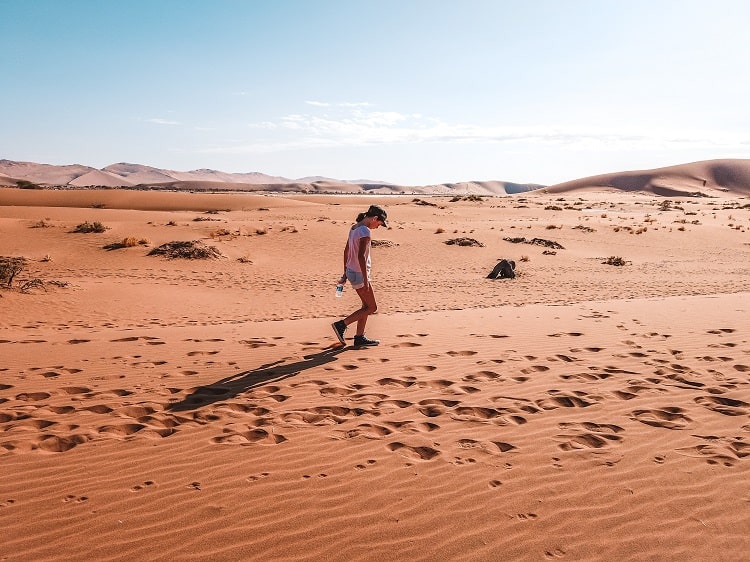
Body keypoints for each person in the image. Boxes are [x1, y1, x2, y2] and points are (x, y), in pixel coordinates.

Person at [331, 205, 388, 347]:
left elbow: (346, 251)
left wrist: (345, 272)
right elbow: (361, 256)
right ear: (375, 218)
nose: (378, 227)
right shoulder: (365, 232)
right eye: (379, 224)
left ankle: (359, 337)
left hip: (352, 271)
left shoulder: (354, 228)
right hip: (359, 274)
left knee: (365, 306)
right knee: (372, 307)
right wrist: (366, 279)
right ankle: (341, 325)